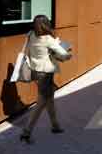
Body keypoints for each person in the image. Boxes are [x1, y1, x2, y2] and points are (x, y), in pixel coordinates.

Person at [20, 14, 71, 144]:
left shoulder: (31, 34)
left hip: (36, 72)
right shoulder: (48, 39)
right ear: (46, 25)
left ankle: (55, 125)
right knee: (41, 103)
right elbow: (63, 53)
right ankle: (26, 131)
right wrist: (68, 55)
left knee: (49, 99)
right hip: (46, 74)